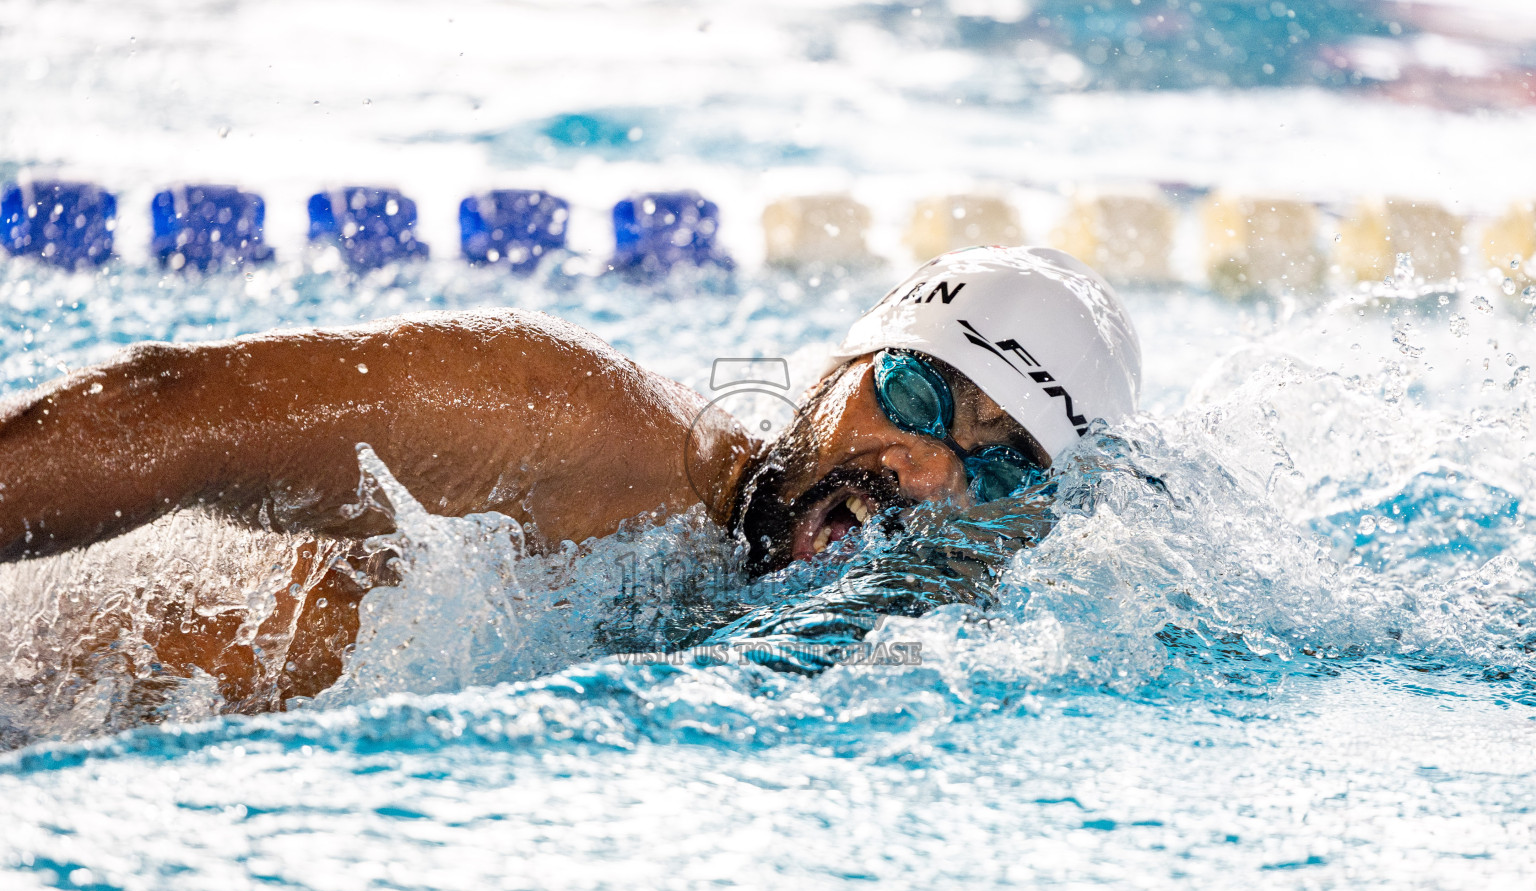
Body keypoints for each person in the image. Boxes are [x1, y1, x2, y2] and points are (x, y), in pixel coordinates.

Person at [0, 245, 1140, 705]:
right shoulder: (570, 424)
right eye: (915, 393)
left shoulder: (915, 659)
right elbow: (172, 411)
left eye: (997, 463)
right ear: (838, 366)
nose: (924, 466)